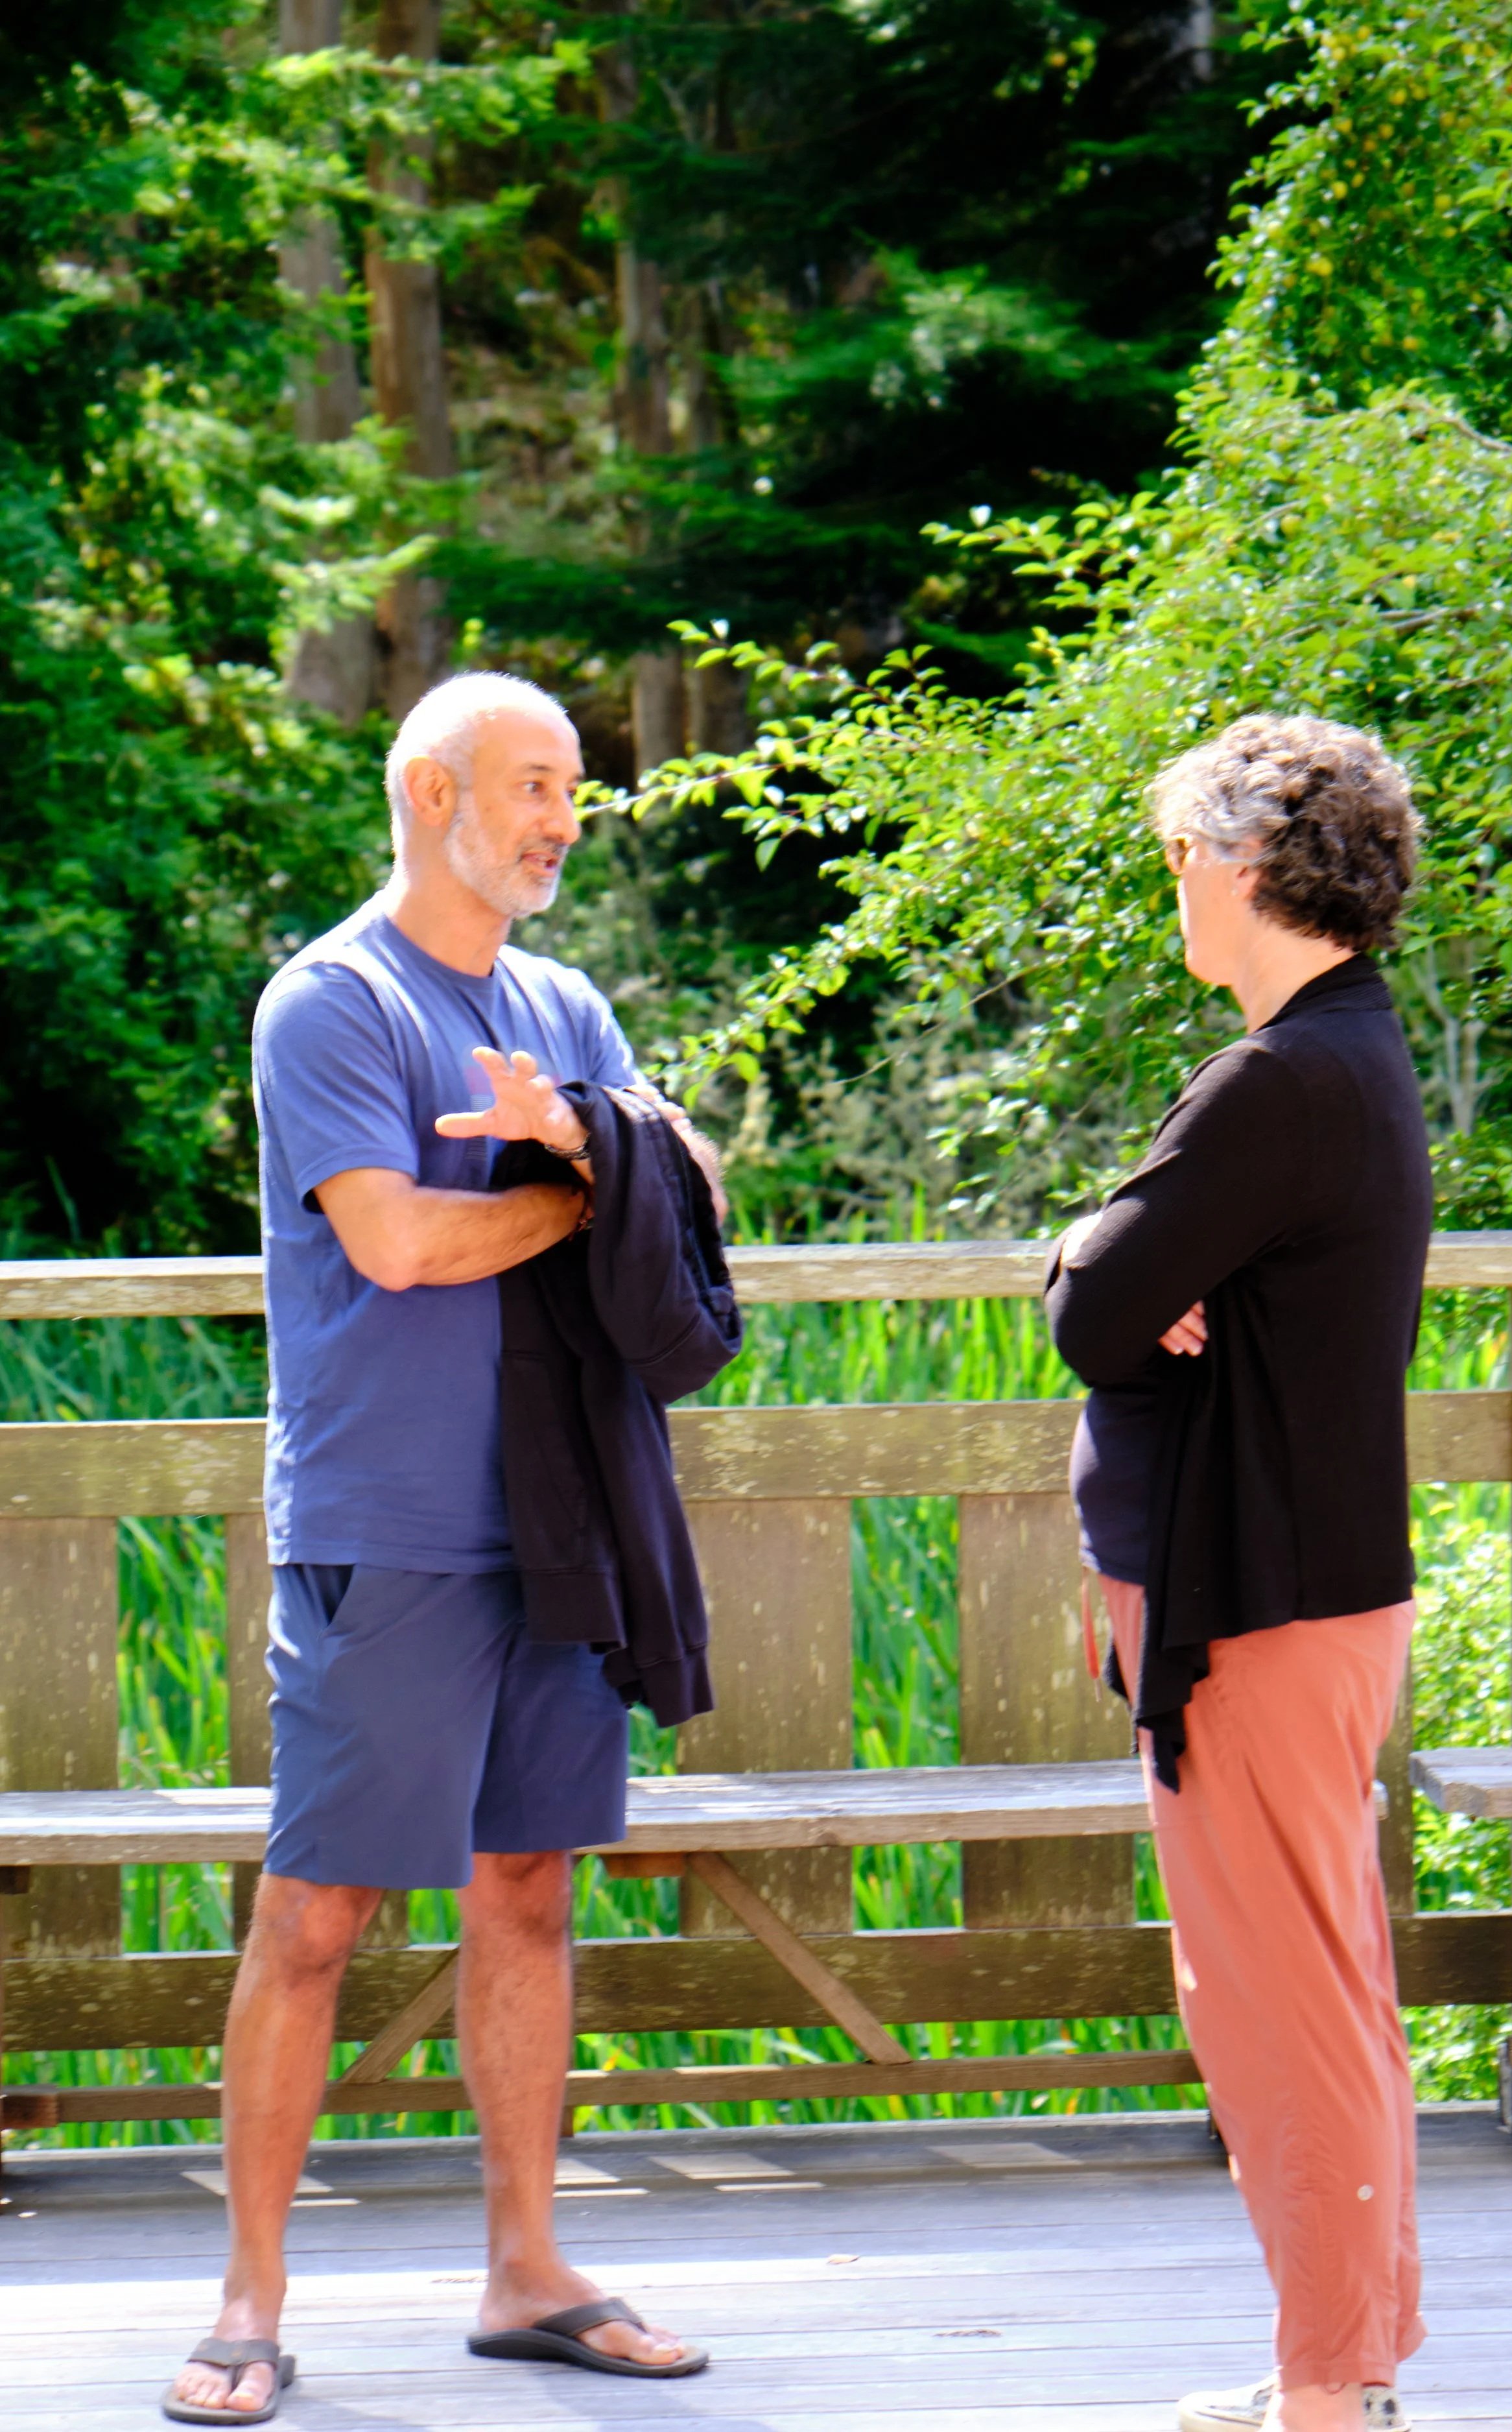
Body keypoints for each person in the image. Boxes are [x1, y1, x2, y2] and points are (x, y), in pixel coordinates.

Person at [163, 672, 718, 2426]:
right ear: (431, 789)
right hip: (383, 1526)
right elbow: (398, 1241)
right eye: (535, 784)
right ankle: (249, 2299)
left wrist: (603, 1157)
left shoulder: (565, 1001)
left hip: (557, 1515)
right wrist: (579, 1184)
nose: (565, 816)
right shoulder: (330, 1002)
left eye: (575, 789)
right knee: (318, 1912)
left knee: (532, 1888)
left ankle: (527, 2271)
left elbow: (681, 1177)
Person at [1046, 715, 1431, 2432]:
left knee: (1282, 2006)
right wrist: (1111, 1264)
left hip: (1265, 1608)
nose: (1173, 888)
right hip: (1288, 1588)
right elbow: (1128, 1291)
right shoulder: (1339, 1055)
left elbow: (1090, 1309)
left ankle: (1329, 2390)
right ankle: (1337, 2361)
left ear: (1255, 867)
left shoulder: (1281, 1079)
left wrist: (1082, 1254)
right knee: (1313, 1986)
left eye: (1184, 857)